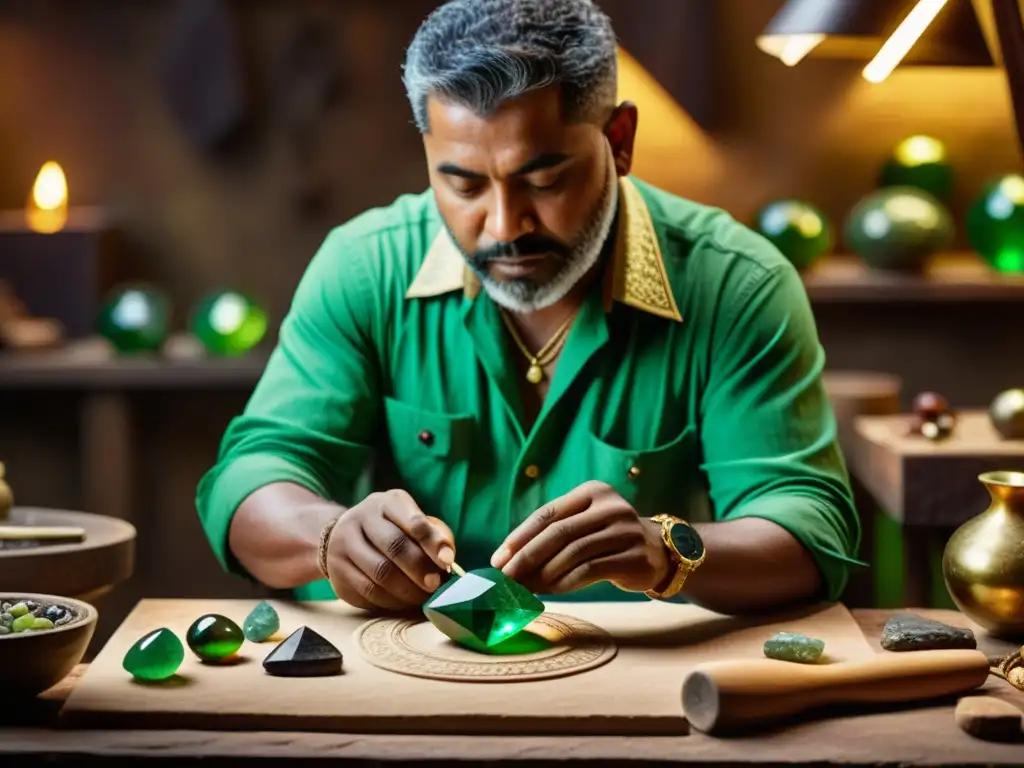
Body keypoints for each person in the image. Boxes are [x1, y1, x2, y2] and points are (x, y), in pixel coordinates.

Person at [195, 0, 863, 615]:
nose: (504, 226)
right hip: (399, 681)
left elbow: (810, 527)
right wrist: (330, 536)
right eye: (461, 184)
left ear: (620, 140)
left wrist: (667, 552)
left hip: (644, 692)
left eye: (544, 180)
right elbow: (251, 478)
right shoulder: (364, 266)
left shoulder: (736, 284)